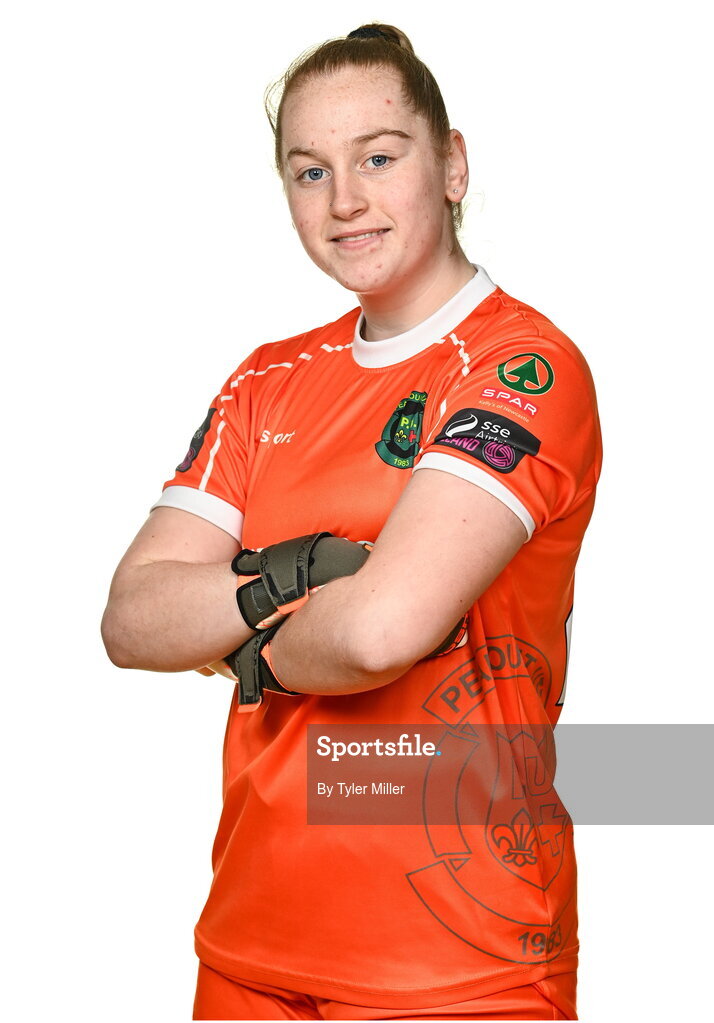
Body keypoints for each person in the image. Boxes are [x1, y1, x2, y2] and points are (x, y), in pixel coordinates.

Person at [101, 22, 601, 1021]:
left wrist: (239, 639)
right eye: (309, 171)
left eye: (379, 157)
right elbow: (132, 618)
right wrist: (303, 576)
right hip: (249, 950)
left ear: (452, 165)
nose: (346, 202)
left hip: (460, 963)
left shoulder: (520, 367)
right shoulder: (267, 379)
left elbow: (383, 631)